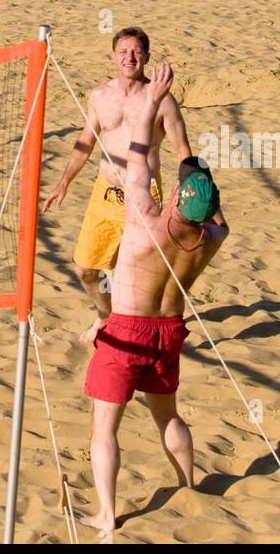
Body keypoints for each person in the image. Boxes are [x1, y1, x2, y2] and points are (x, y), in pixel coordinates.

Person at [82, 62, 229, 535]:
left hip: (126, 330)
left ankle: (108, 514)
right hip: (169, 331)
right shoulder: (211, 238)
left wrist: (147, 106)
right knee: (168, 416)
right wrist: (203, 185)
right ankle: (188, 485)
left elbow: (138, 155)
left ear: (176, 199)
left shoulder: (144, 217)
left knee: (105, 428)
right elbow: (216, 214)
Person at [42, 27, 192, 343]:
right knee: (85, 269)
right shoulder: (100, 95)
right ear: (113, 57)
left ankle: (147, 331)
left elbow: (183, 151)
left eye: (136, 52)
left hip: (144, 197)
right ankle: (104, 316)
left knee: (138, 276)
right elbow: (85, 141)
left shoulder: (162, 101)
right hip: (105, 193)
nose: (130, 58)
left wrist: (186, 189)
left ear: (147, 57)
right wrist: (64, 181)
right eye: (123, 51)